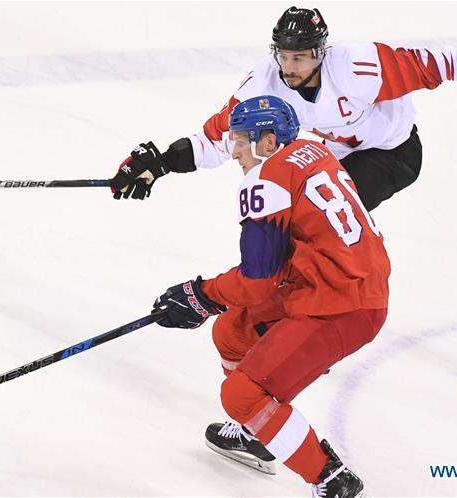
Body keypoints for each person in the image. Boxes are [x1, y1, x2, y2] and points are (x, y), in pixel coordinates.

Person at [151, 95, 389, 497]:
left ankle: (331, 480)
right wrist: (211, 301)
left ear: (267, 142)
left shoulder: (265, 180)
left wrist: (200, 294)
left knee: (240, 394)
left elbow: (258, 280)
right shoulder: (310, 149)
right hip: (332, 283)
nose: (235, 153)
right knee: (232, 330)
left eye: (241, 142)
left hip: (341, 306)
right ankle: (259, 434)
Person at [110, 6, 457, 211]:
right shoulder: (263, 85)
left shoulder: (360, 65)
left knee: (322, 216)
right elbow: (220, 138)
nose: (289, 66)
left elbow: (431, 64)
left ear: (321, 53)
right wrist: (161, 164)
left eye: (299, 57)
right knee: (288, 213)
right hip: (337, 157)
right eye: (283, 55)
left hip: (394, 153)